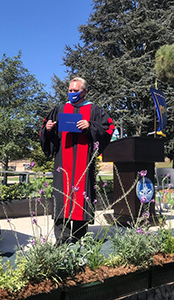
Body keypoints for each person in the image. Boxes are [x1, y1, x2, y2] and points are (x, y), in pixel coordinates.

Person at [40, 77, 114, 245]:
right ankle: (62, 239)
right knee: (62, 198)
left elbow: (109, 129)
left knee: (81, 196)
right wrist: (48, 129)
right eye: (70, 90)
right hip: (62, 162)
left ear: (85, 91)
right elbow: (45, 130)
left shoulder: (95, 110)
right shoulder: (60, 109)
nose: (72, 93)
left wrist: (90, 127)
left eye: (76, 90)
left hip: (84, 162)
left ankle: (80, 237)